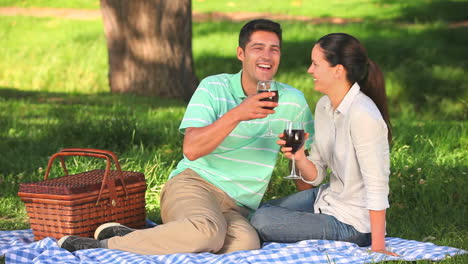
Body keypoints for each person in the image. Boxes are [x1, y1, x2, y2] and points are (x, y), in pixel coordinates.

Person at [58, 19, 314, 255]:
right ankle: (100, 246)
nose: (267, 57)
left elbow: (302, 178)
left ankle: (141, 237)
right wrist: (238, 113)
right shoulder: (214, 87)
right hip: (194, 184)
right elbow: (191, 149)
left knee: (245, 245)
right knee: (207, 232)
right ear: (241, 54)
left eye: (274, 49)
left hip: (238, 206)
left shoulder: (293, 102)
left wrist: (299, 160)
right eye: (258, 48)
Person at [250, 33, 398, 256]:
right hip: (327, 199)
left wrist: (378, 246)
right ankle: (311, 223)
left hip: (353, 223)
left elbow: (377, 185)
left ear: (338, 71)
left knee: (261, 220)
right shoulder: (324, 106)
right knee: (260, 211)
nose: (310, 71)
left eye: (316, 64)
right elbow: (317, 175)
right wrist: (299, 157)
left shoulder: (363, 116)